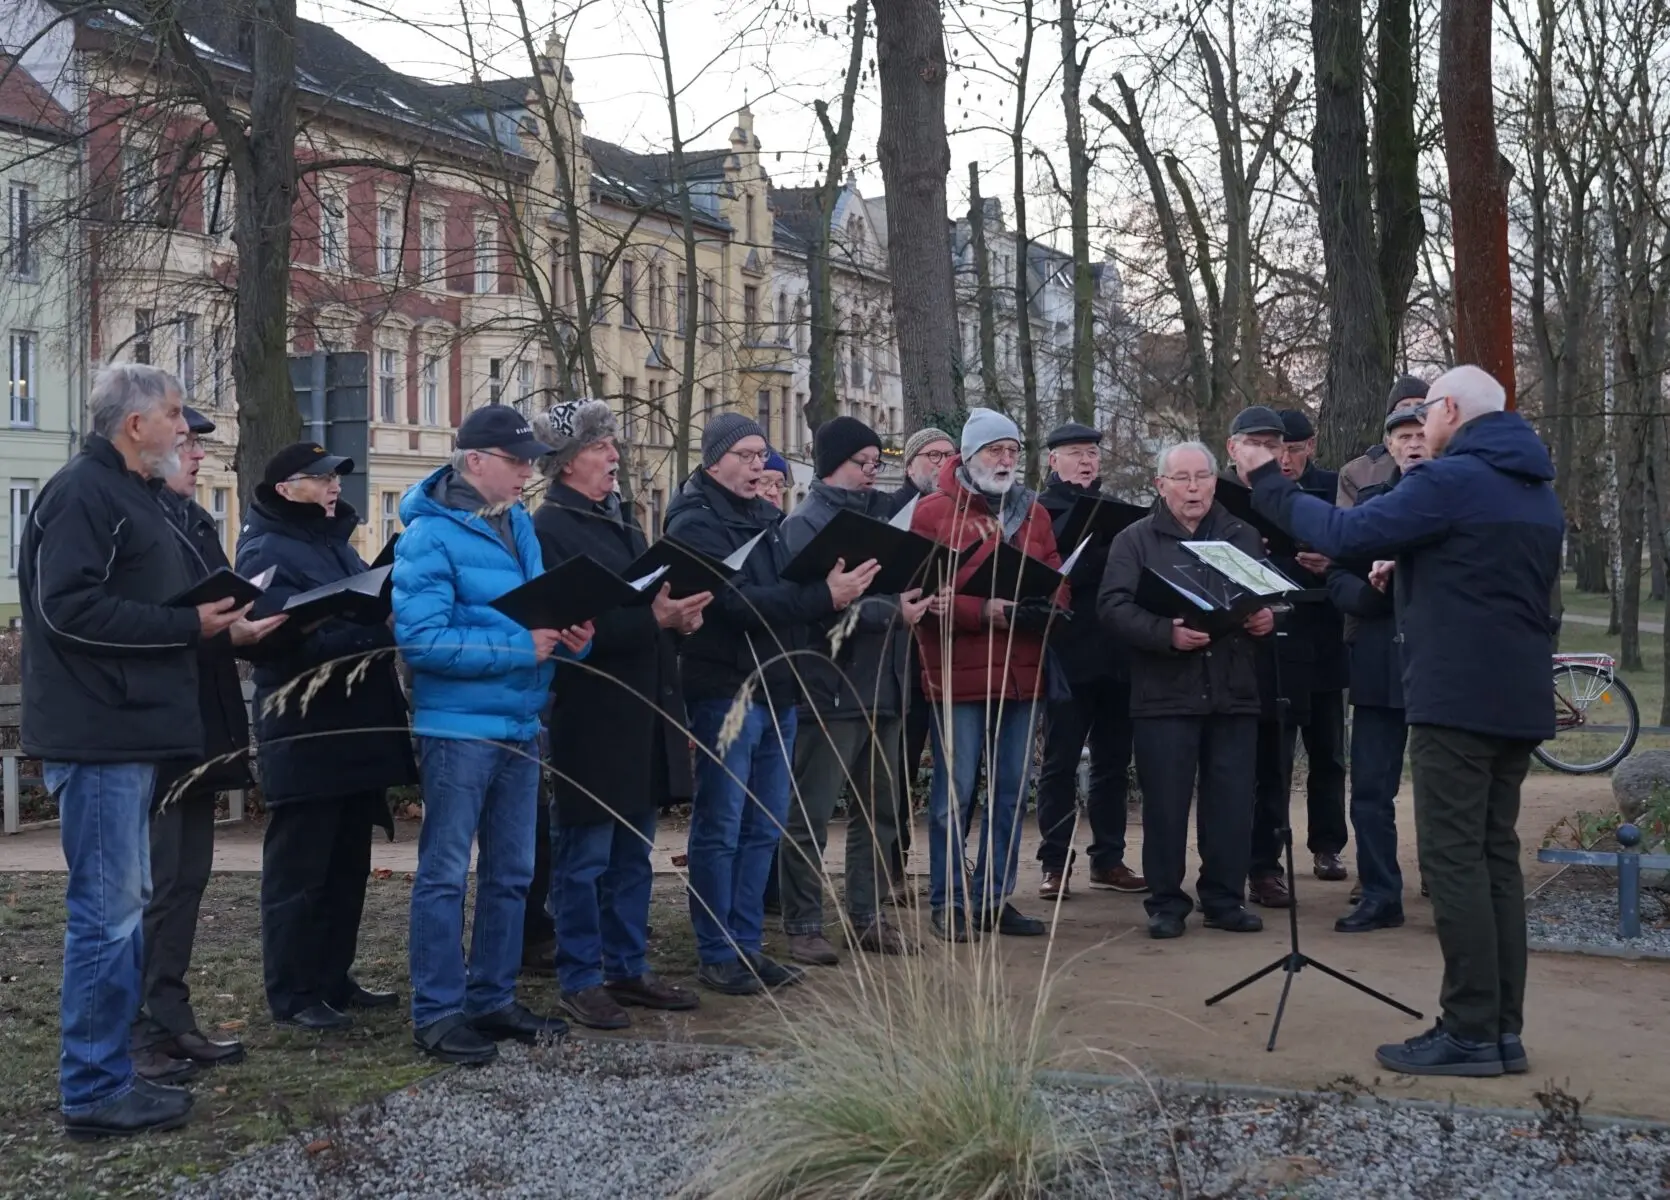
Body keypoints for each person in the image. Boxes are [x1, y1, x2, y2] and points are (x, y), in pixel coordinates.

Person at [1235, 364, 1562, 1077]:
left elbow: (1341, 529)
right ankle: (1502, 1030)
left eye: (1427, 411)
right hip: (1517, 696)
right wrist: (1409, 571)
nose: (1421, 424)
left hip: (1457, 699)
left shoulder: (1451, 479)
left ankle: (1469, 1030)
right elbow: (1488, 577)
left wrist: (1266, 477)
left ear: (1448, 410)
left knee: (1453, 861)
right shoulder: (1536, 489)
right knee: (1494, 858)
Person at [18, 363, 276, 1139]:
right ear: (136, 425)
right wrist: (185, 628)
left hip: (130, 733)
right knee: (105, 916)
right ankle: (93, 1091)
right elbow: (65, 609)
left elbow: (136, 600)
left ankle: (108, 1075)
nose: (185, 428)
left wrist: (217, 626)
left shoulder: (136, 496)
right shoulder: (83, 493)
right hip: (97, 737)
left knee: (120, 912)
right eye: (174, 414)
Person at [395, 406, 592, 1064]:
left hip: (520, 720)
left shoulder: (517, 527)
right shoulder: (427, 535)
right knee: (445, 873)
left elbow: (540, 619)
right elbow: (421, 641)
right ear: (475, 460)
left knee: (513, 872)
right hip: (457, 728)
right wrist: (521, 648)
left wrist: (572, 640)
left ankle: (492, 997)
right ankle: (438, 1011)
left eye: (531, 461)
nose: (527, 472)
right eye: (517, 461)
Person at [666, 413, 878, 995]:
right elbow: (735, 603)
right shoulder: (693, 520)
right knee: (722, 825)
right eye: (748, 454)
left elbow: (783, 591)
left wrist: (829, 586)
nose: (760, 465)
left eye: (764, 454)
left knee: (763, 827)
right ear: (715, 459)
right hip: (725, 690)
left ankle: (748, 944)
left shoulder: (768, 516)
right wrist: (822, 595)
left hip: (778, 688)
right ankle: (717, 950)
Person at [528, 400, 708, 1029]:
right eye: (604, 447)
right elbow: (574, 629)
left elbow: (640, 611)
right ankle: (580, 977)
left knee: (634, 853)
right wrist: (651, 620)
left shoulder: (624, 523)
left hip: (641, 711)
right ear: (570, 459)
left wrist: (678, 623)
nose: (615, 456)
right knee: (585, 858)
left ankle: (626, 966)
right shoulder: (548, 528)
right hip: (589, 715)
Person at [238, 442, 417, 1032]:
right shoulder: (264, 548)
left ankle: (334, 979)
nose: (333, 484)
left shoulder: (336, 545)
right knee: (300, 871)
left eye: (335, 475)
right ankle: (293, 993)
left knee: (347, 865)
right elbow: (272, 641)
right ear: (285, 489)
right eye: (318, 478)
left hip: (352, 732)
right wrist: (362, 633)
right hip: (306, 734)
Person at [131, 407, 261, 1083]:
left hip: (202, 726)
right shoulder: (137, 520)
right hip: (155, 730)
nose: (198, 456)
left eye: (198, 445)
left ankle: (171, 1016)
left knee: (188, 879)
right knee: (154, 881)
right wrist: (200, 626)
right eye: (185, 443)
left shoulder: (194, 520)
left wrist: (241, 627)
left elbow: (213, 609)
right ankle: (141, 1027)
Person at [1100, 441, 1271, 939]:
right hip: (1164, 692)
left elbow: (1265, 595)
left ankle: (1223, 898)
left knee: (1232, 801)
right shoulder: (1135, 540)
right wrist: (1164, 634)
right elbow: (1112, 606)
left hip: (1233, 689)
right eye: (1182, 479)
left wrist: (1265, 617)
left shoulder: (1242, 535)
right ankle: (1166, 903)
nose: (1193, 488)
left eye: (1202, 477)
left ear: (1216, 482)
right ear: (1160, 485)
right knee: (1167, 804)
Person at [778, 416, 932, 965]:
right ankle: (803, 923)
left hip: (886, 685)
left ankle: (867, 918)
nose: (872, 473)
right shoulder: (804, 525)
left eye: (876, 463)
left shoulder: (885, 518)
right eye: (862, 463)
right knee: (811, 812)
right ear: (830, 464)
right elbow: (808, 608)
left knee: (880, 813)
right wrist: (894, 611)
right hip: (831, 689)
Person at [910, 408, 1061, 941]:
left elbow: (1057, 579)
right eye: (995, 450)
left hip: (1023, 676)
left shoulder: (1035, 513)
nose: (1005, 460)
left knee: (1011, 795)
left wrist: (1046, 602)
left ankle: (994, 900)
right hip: (958, 677)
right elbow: (925, 598)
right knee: (955, 795)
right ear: (968, 456)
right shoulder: (932, 513)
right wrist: (984, 611)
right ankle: (948, 902)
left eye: (1013, 451)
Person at [1325, 404, 1426, 933]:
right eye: (1404, 436)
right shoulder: (1369, 506)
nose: (1413, 444)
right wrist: (1370, 592)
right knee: (1369, 791)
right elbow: (1338, 578)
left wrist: (1407, 581)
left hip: (1441, 669)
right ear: (1389, 446)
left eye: (1422, 434)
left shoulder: (1461, 505)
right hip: (1379, 664)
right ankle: (1381, 893)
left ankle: (1456, 893)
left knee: (1446, 792)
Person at [1033, 422, 1144, 900]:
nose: (1086, 462)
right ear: (1052, 461)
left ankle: (1109, 859)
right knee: (1059, 763)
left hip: (1117, 653)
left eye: (1093, 455)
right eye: (1076, 453)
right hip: (1065, 654)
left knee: (1113, 763)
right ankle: (1054, 863)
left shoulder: (1117, 512)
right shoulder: (1037, 511)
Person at [1222, 406, 1314, 911]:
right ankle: (1224, 868)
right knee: (1227, 771)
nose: (1270, 454)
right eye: (1257, 443)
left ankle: (1265, 867)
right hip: (1227, 654)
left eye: (1277, 445)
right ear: (1233, 448)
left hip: (1285, 652)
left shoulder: (1296, 500)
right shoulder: (1208, 495)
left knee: (1275, 772)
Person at [1278, 409, 1350, 884]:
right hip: (1275, 641)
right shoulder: (1247, 492)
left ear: (1311, 446)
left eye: (1293, 449)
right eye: (1274, 450)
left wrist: (1335, 560)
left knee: (1327, 754)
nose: (1284, 460)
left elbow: (1359, 541)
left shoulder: (1334, 487)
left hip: (1325, 638)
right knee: (1275, 757)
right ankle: (1269, 852)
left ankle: (1327, 846)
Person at [886, 425, 954, 888]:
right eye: (932, 454)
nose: (942, 462)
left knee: (955, 768)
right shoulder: (894, 512)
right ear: (910, 465)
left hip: (950, 656)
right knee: (898, 766)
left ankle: (949, 866)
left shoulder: (964, 510)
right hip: (903, 660)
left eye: (950, 454)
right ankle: (890, 863)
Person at [1337, 375, 1430, 508]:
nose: (1413, 411)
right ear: (1390, 442)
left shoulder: (1455, 468)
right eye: (1404, 406)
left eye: (1421, 406)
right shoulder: (1357, 473)